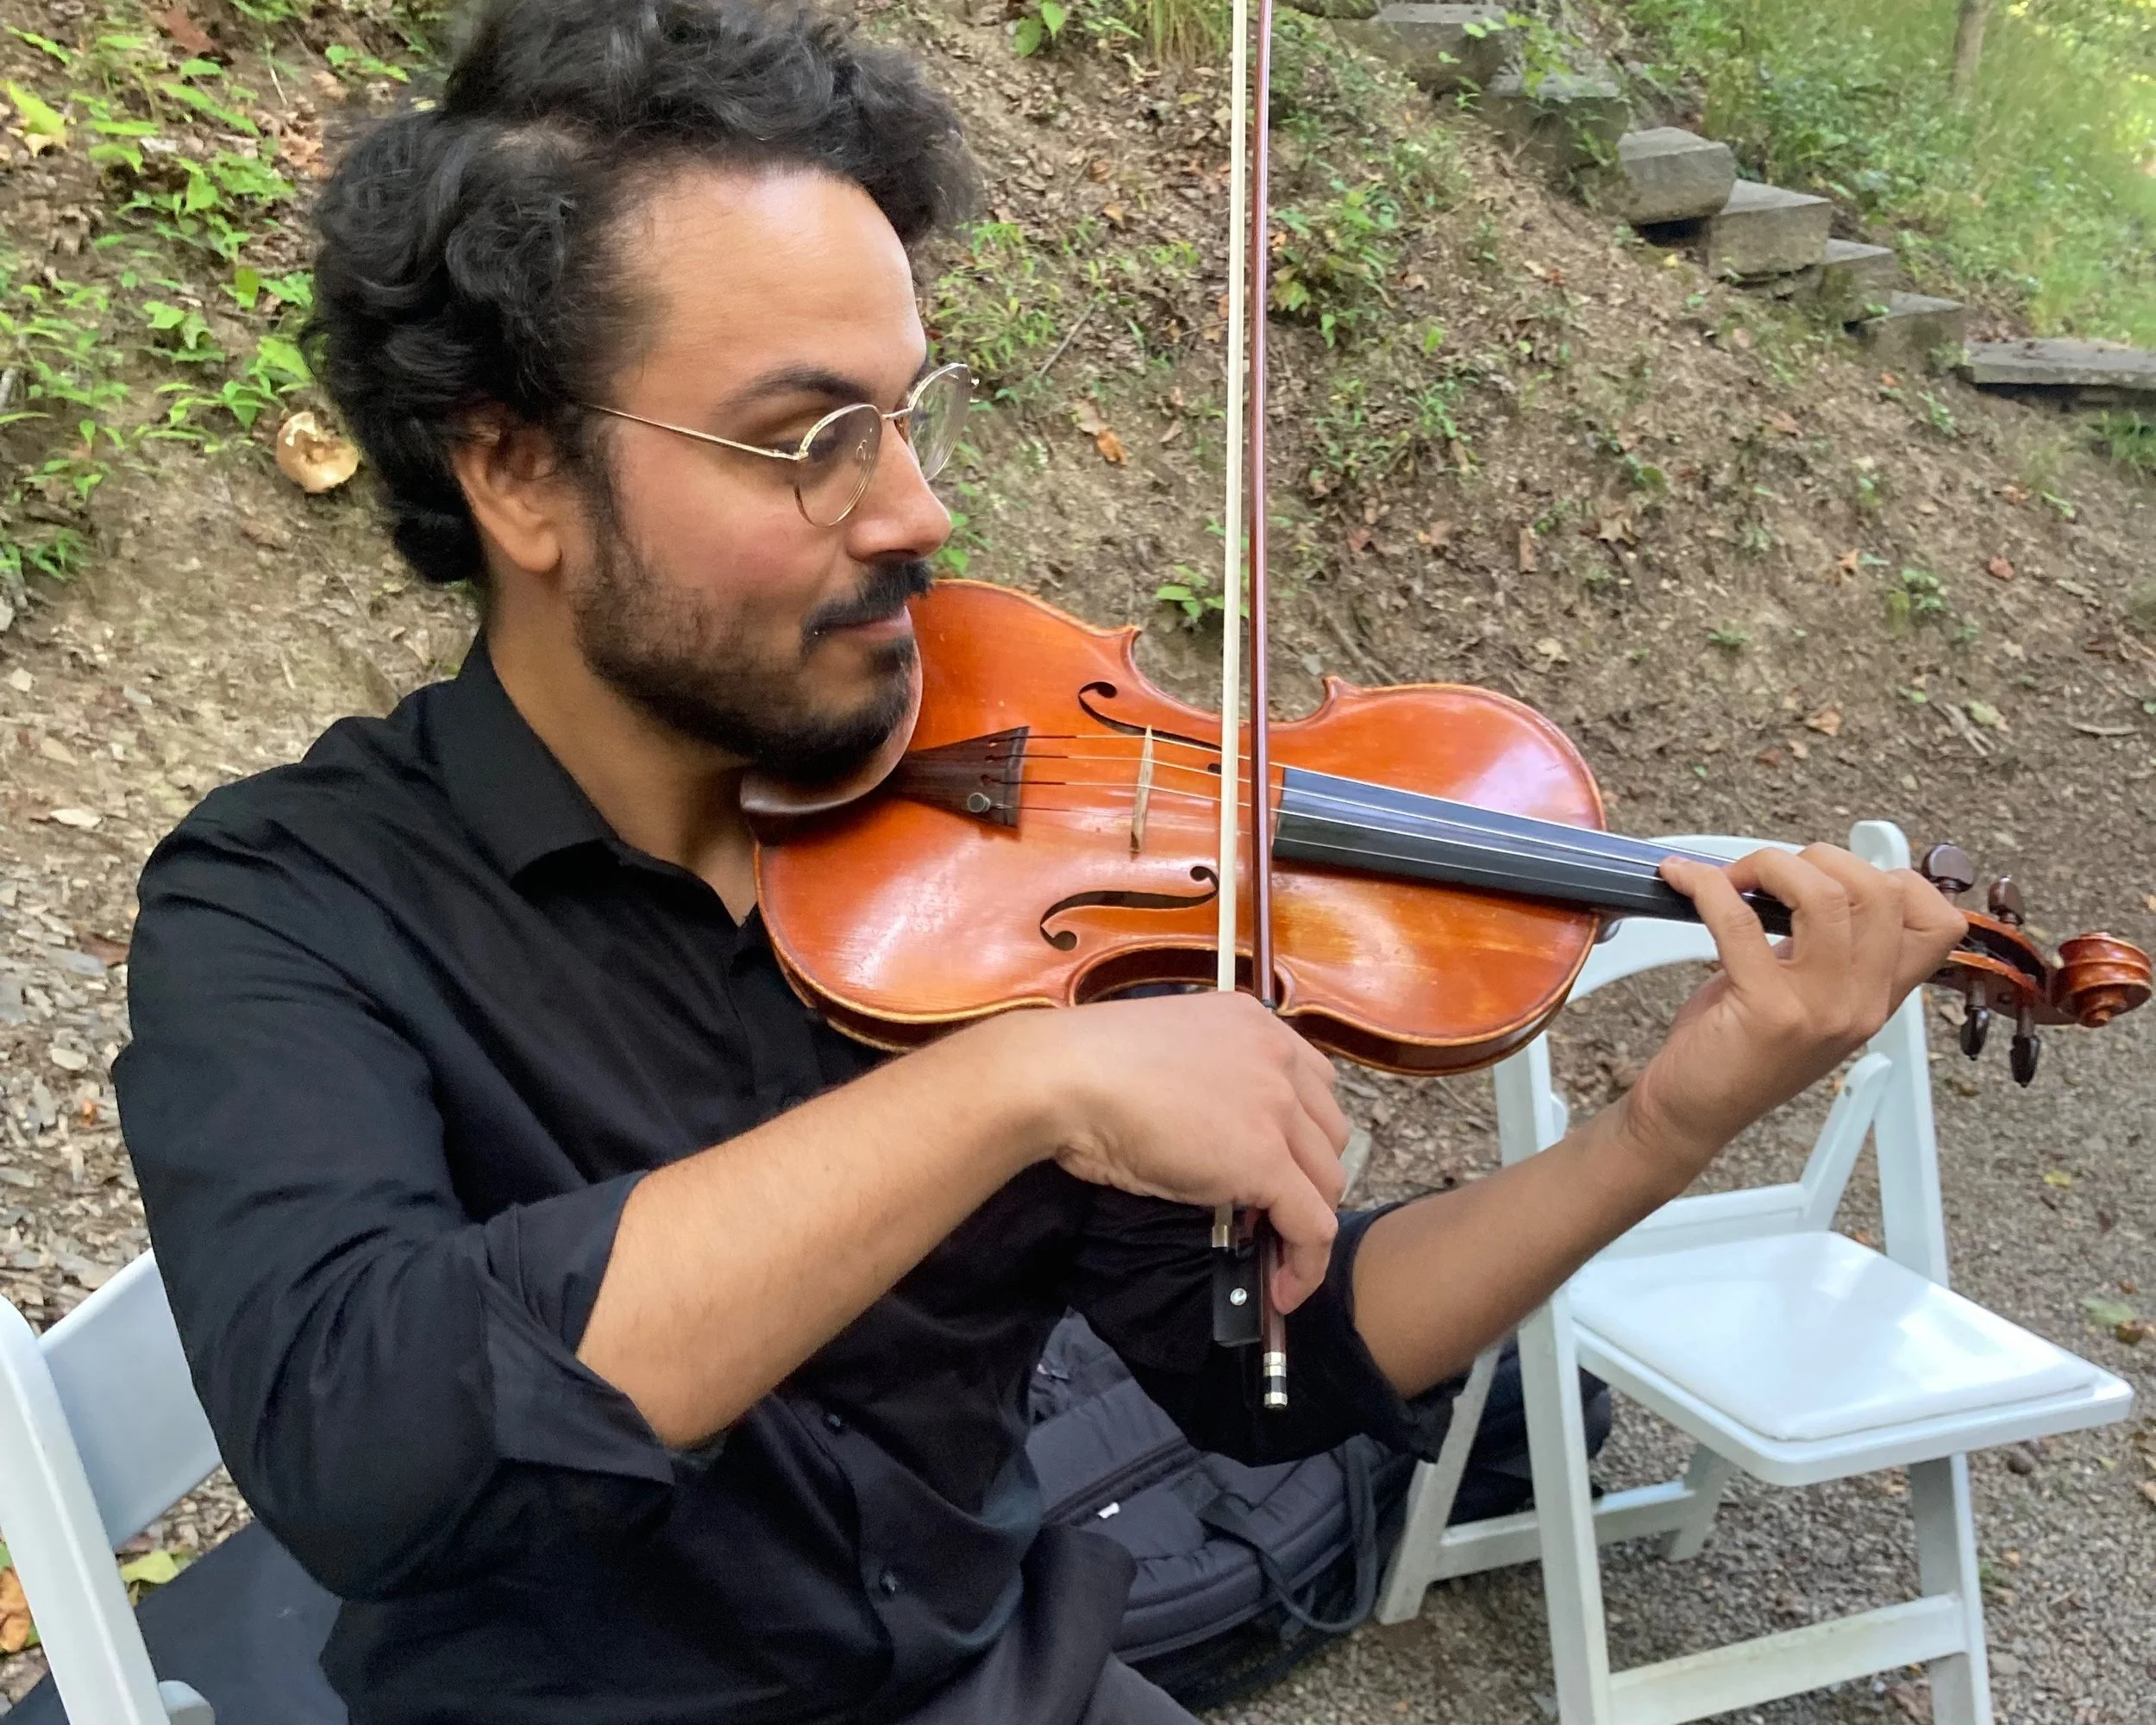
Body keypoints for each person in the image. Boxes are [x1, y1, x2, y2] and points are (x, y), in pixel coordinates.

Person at [112, 1, 1969, 1721]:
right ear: (515, 473)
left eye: (909, 410)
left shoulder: (992, 858)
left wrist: (1665, 1127)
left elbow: (1263, 1375)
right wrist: (1013, 1087)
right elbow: (367, 1445)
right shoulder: (287, 906)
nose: (914, 508)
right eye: (804, 438)